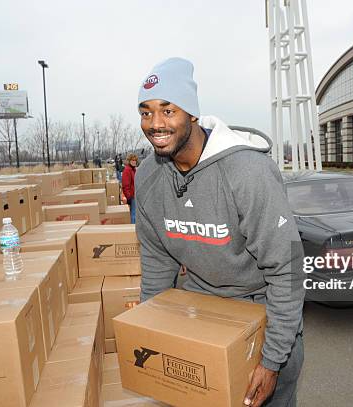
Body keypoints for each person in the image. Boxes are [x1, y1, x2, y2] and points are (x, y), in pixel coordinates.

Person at [135, 58, 304, 407]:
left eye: (168, 111)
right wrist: (150, 331)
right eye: (146, 112)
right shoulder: (149, 175)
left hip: (262, 317)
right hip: (199, 313)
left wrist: (272, 360)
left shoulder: (246, 172)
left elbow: (287, 268)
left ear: (193, 114)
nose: (155, 124)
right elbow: (156, 266)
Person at [122, 153, 137, 224]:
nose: (134, 162)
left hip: (135, 195)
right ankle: (132, 228)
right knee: (133, 214)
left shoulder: (133, 170)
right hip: (131, 196)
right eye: (132, 160)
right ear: (129, 161)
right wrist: (129, 197)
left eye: (135, 160)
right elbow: (125, 185)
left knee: (135, 213)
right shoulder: (127, 170)